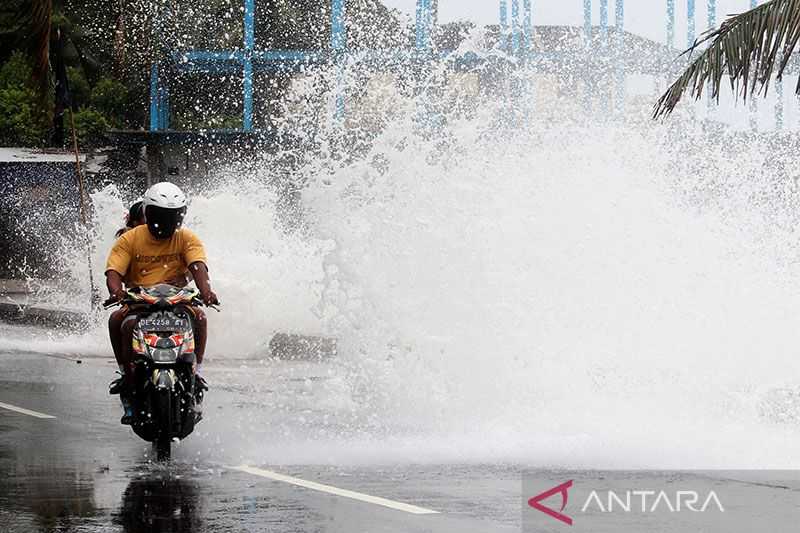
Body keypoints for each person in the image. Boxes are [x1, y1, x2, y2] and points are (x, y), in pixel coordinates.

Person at [105, 182, 219, 424]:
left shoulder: (187, 238)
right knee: (119, 322)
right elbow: (114, 271)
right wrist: (116, 292)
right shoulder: (130, 239)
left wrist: (206, 291)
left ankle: (196, 373)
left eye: (173, 216)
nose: (166, 222)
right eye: (161, 216)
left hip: (177, 301)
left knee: (199, 317)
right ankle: (127, 375)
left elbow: (198, 266)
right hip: (139, 302)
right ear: (148, 212)